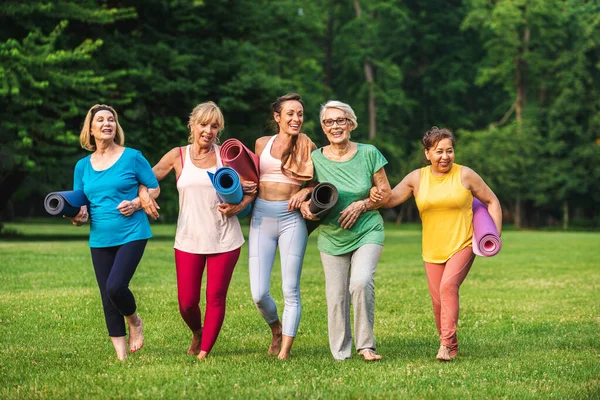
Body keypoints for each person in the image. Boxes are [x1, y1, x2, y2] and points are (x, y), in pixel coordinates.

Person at [138, 101, 256, 360]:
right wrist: (143, 195)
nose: (208, 130)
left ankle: (204, 352)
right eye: (203, 124)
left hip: (224, 238)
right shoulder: (177, 156)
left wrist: (240, 206)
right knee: (187, 302)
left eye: (214, 126)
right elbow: (146, 177)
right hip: (188, 239)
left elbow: (253, 187)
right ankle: (197, 331)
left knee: (215, 297)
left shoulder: (226, 155)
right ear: (192, 125)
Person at [374, 126, 502, 361]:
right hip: (432, 249)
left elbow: (492, 201)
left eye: (450, 151)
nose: (445, 156)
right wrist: (374, 193)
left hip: (462, 243)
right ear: (427, 154)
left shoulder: (465, 175)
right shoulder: (417, 178)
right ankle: (452, 346)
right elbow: (390, 199)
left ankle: (444, 345)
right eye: (439, 151)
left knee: (447, 288)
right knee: (437, 303)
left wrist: (494, 235)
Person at [67, 104, 160, 360]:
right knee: (107, 296)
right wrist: (77, 216)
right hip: (99, 238)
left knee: (116, 286)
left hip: (133, 232)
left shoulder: (133, 157)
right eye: (100, 120)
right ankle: (121, 357)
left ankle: (135, 321)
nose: (107, 124)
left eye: (111, 120)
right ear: (91, 128)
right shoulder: (82, 166)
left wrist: (137, 203)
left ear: (116, 127)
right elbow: (80, 204)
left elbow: (154, 188)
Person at [300, 100, 391, 361]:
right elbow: (310, 187)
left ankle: (366, 346)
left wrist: (362, 204)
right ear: (323, 128)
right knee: (336, 295)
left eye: (340, 120)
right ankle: (340, 352)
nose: (335, 126)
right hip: (332, 235)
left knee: (361, 282)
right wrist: (307, 205)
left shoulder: (369, 153)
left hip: (367, 230)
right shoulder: (316, 157)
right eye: (329, 122)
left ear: (351, 123)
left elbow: (385, 194)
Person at [249, 93, 316, 360]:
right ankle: (276, 328)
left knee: (291, 289)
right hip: (261, 217)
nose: (296, 119)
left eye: (300, 114)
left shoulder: (307, 145)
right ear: (277, 117)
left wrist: (306, 191)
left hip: (292, 219)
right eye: (290, 114)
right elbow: (250, 176)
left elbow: (316, 181)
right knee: (259, 292)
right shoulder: (261, 144)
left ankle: (285, 351)